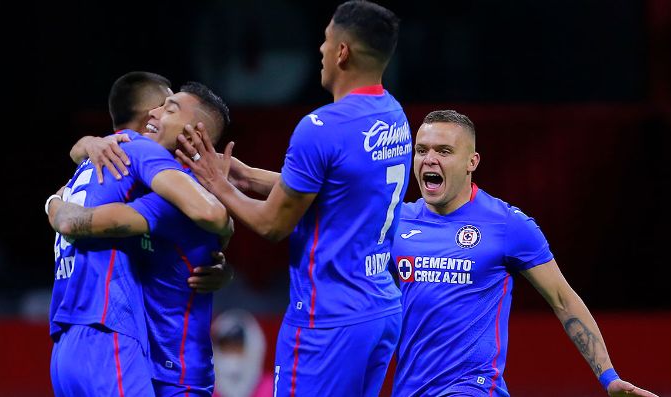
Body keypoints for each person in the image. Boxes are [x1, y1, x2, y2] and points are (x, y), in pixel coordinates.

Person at [179, 2, 411, 396]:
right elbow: (331, 189)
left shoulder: (321, 128)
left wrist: (219, 185)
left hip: (328, 318)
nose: (319, 50)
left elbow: (273, 224)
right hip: (380, 310)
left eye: (325, 40)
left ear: (342, 52)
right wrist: (244, 174)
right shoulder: (393, 115)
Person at [389, 110, 658, 397]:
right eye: (421, 150)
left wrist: (608, 377)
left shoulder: (507, 224)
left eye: (444, 151)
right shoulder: (395, 223)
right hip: (409, 388)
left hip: (472, 388)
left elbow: (563, 299)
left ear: (472, 162)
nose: (430, 159)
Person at [45, 80, 233, 397]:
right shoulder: (139, 177)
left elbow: (215, 214)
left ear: (194, 133)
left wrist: (225, 232)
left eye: (168, 108)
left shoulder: (174, 192)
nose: (155, 112)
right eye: (159, 104)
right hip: (135, 357)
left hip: (176, 375)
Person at [211, 310, 273, 397]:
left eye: (237, 347)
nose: (232, 354)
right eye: (226, 347)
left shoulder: (272, 387)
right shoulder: (205, 388)